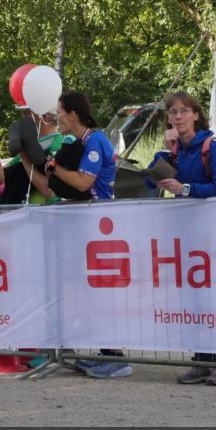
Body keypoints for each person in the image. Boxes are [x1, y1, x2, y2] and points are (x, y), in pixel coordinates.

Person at [142, 92, 216, 386]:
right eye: (173, 112)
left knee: (212, 298)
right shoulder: (175, 149)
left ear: (196, 115)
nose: (178, 116)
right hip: (185, 235)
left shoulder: (211, 144)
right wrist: (167, 150)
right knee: (191, 298)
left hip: (214, 234)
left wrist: (184, 189)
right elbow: (148, 179)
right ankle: (202, 360)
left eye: (184, 111)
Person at [44, 92, 132, 379]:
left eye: (59, 111)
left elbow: (84, 181)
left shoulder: (95, 141)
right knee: (92, 290)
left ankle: (117, 358)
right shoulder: (84, 141)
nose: (57, 117)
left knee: (103, 290)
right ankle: (107, 352)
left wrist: (56, 168)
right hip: (91, 223)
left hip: (101, 223)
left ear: (73, 114)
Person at [0, 108, 63, 204]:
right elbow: (0, 174)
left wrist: (25, 159)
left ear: (44, 117)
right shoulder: (28, 145)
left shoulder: (60, 145)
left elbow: (50, 190)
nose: (23, 119)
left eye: (27, 113)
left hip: (48, 214)